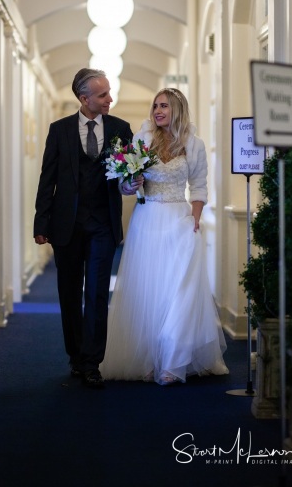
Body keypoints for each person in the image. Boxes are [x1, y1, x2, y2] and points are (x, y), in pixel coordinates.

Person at [100, 88, 229, 385]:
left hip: (180, 220)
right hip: (148, 219)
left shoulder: (194, 144)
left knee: (178, 288)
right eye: (155, 106)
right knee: (149, 289)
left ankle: (173, 360)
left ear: (178, 109)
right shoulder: (142, 140)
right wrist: (132, 183)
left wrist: (195, 221)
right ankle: (146, 357)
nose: (158, 111)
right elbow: (124, 185)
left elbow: (198, 186)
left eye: (164, 106)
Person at [33, 68, 141, 389]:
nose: (111, 99)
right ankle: (76, 355)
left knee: (96, 293)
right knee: (69, 293)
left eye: (109, 92)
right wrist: (41, 222)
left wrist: (132, 181)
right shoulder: (60, 130)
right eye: (103, 94)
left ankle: (92, 362)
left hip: (103, 225)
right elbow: (47, 179)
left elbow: (127, 174)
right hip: (65, 226)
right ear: (84, 99)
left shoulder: (121, 129)